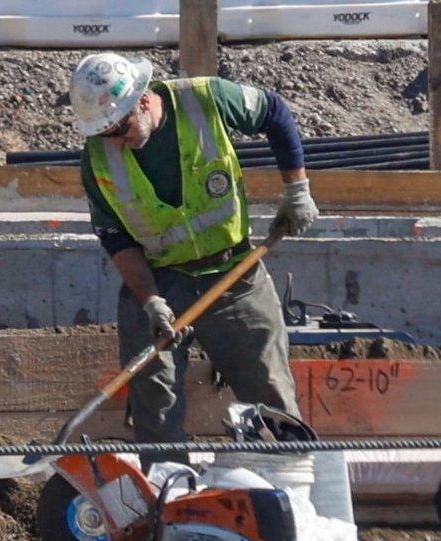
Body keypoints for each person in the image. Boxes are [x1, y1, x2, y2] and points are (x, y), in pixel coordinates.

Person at [66, 50, 320, 447]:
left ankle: (288, 490)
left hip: (234, 273)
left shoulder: (205, 99)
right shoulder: (99, 158)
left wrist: (297, 189)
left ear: (144, 100)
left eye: (121, 127)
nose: (117, 140)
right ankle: (167, 497)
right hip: (160, 281)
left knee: (270, 393)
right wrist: (151, 302)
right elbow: (116, 237)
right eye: (105, 132)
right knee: (155, 406)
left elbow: (273, 112)